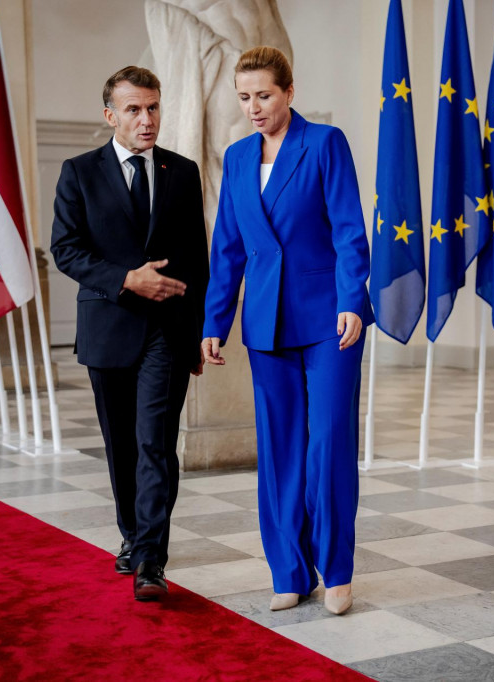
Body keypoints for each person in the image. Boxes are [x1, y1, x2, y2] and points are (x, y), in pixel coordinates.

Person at [201, 46, 373, 616]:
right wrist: (213, 323)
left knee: (327, 447)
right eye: (245, 96)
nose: (253, 107)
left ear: (289, 92)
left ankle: (338, 571)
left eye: (265, 95)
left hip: (331, 322)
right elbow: (226, 249)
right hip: (265, 324)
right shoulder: (238, 157)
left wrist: (353, 299)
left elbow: (350, 228)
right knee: (279, 453)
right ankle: (290, 572)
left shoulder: (325, 143)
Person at [50, 66, 208, 602]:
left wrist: (198, 334)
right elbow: (65, 249)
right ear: (110, 114)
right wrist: (125, 280)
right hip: (108, 328)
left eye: (154, 107)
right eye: (136, 109)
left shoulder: (183, 172)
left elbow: (198, 261)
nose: (147, 119)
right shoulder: (78, 172)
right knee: (121, 445)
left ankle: (149, 559)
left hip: (167, 330)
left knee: (155, 443)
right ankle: (132, 533)